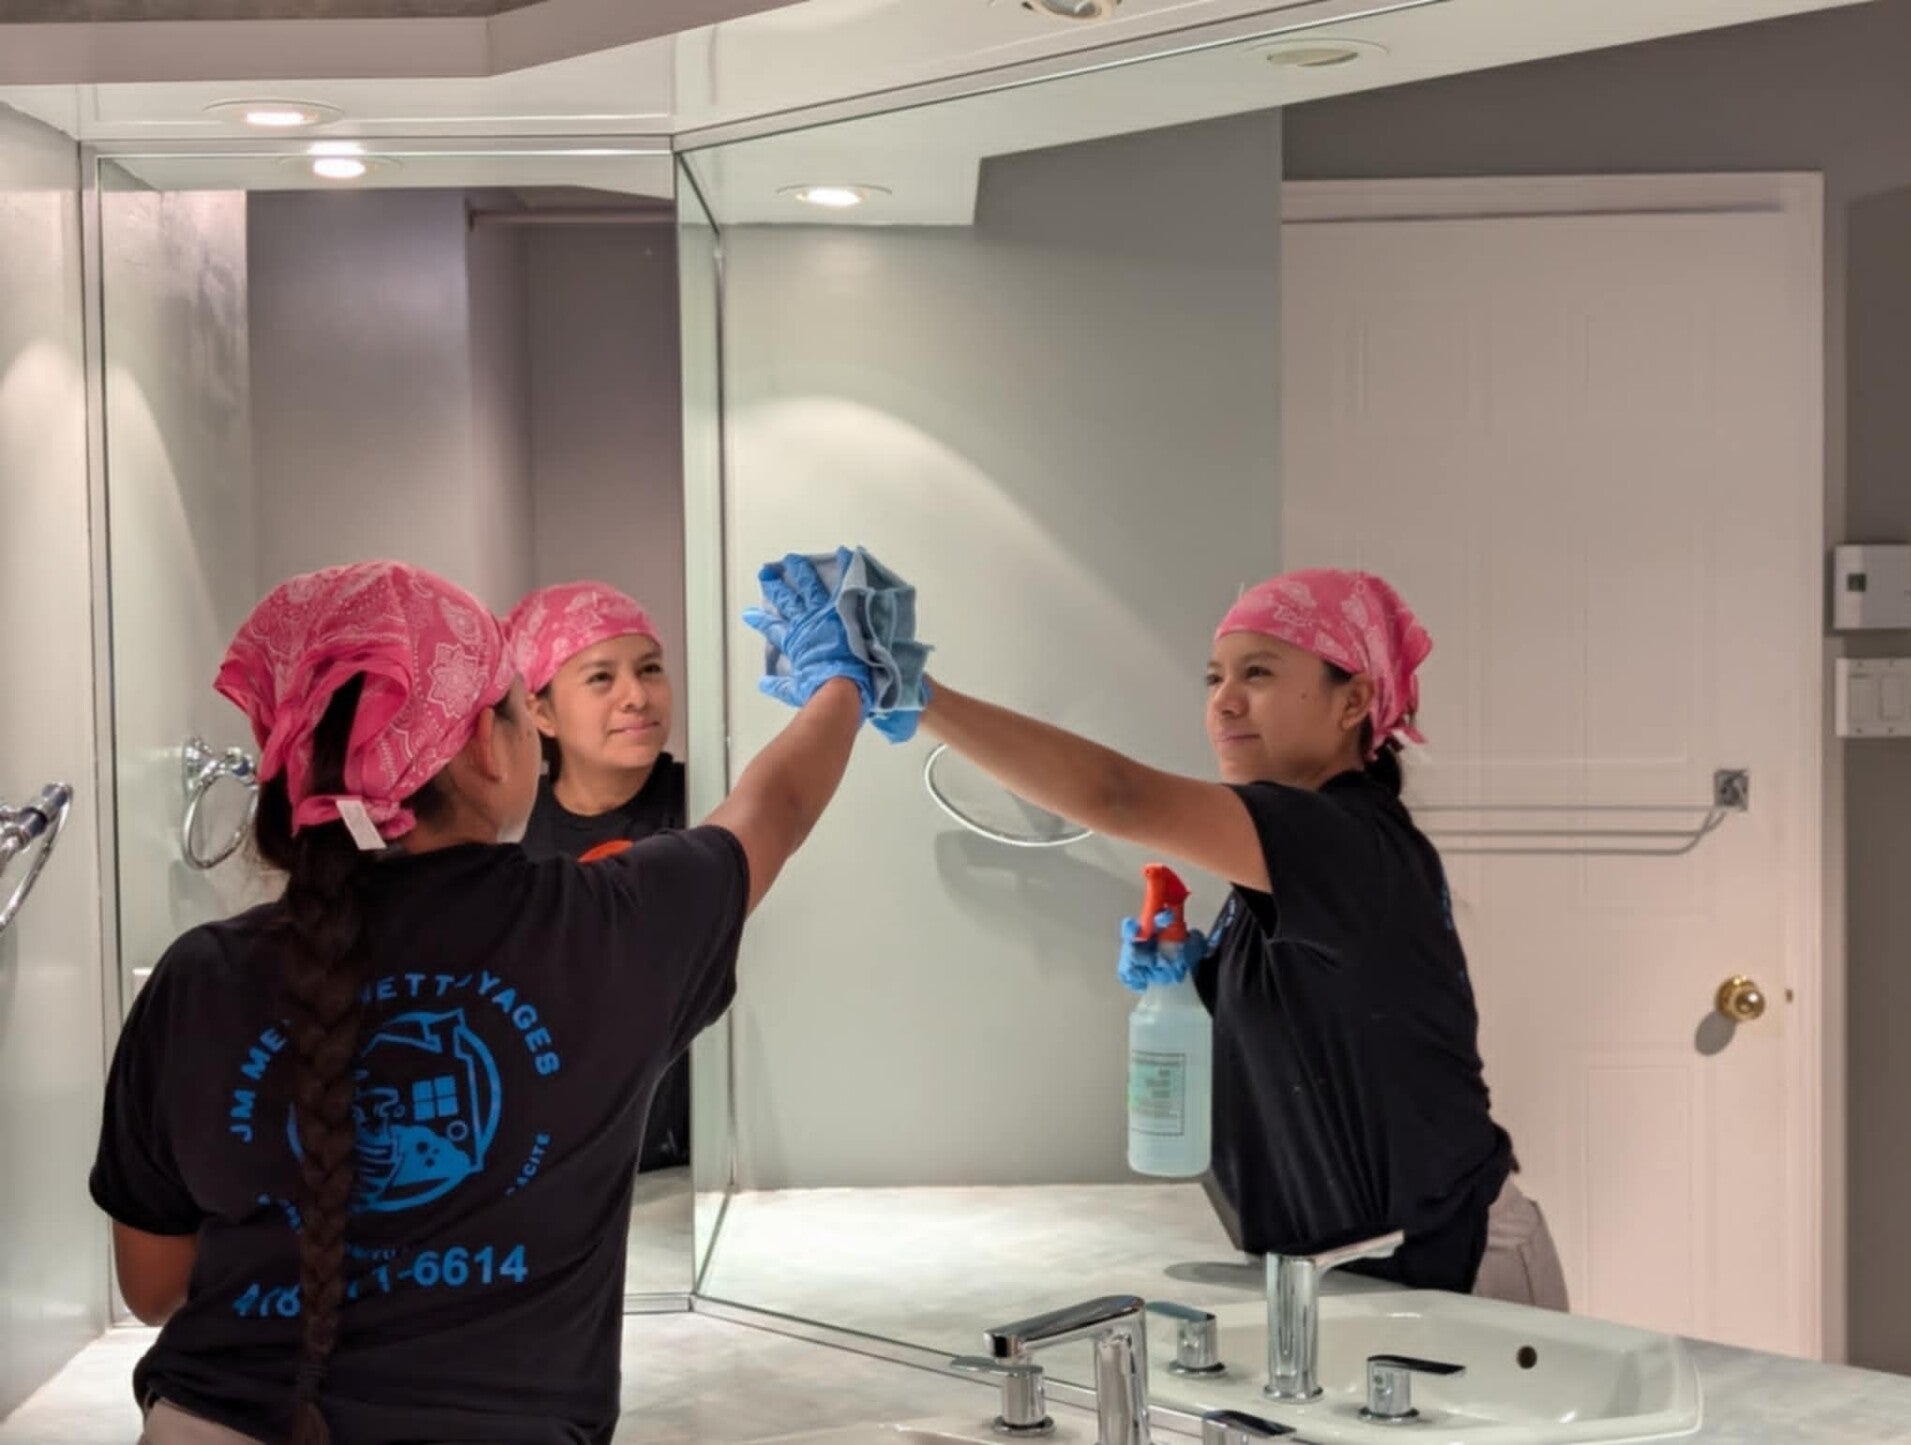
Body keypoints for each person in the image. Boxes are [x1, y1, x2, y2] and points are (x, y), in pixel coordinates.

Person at [91, 555, 884, 1445]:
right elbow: (777, 804)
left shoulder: (197, 976)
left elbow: (154, 1288)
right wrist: (842, 680)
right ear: (483, 743)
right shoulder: (613, 928)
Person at [777, 566, 1567, 1307]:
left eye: (1257, 673)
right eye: (1214, 678)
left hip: (1456, 1266)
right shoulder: (1288, 857)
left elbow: (1118, 796)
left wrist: (919, 694)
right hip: (1361, 1271)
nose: (1224, 702)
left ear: (1353, 699)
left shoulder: (1345, 839)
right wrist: (1192, 986)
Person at [504, 581, 690, 1172]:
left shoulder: (706, 806)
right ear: (541, 712)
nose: (637, 696)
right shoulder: (508, 834)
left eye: (650, 669)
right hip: (557, 1165)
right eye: (601, 678)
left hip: (690, 1164)